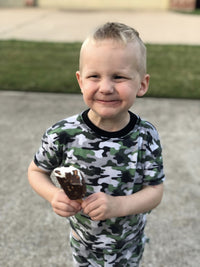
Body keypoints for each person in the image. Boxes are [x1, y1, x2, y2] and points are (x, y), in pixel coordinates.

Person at [28, 22, 165, 267]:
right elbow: (36, 171)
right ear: (80, 81)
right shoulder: (63, 133)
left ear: (142, 84)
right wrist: (54, 195)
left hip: (128, 244)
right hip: (83, 244)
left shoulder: (146, 136)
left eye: (119, 76)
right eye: (94, 76)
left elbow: (154, 191)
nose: (106, 87)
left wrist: (117, 205)